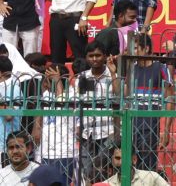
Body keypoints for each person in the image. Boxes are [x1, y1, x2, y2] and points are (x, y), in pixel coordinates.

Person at [129, 32, 174, 173]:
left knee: (147, 169)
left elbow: (170, 99)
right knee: (130, 168)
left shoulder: (160, 68)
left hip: (150, 127)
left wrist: (166, 130)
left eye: (136, 48)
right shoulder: (131, 69)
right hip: (130, 126)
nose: (133, 51)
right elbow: (123, 96)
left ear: (146, 48)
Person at [76, 42, 117, 183]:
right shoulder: (83, 77)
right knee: (87, 170)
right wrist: (78, 125)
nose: (95, 59)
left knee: (103, 168)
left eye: (98, 55)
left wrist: (113, 73)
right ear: (86, 57)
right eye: (91, 56)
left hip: (107, 131)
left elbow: (119, 98)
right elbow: (80, 102)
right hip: (87, 132)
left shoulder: (112, 75)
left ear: (105, 56)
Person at [33, 64, 76, 185]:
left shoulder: (71, 94)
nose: (45, 84)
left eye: (49, 80)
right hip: (44, 151)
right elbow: (39, 112)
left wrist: (57, 82)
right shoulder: (47, 94)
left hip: (63, 152)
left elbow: (61, 106)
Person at [103, 147, 168, 186]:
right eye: (117, 158)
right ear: (112, 160)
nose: (121, 162)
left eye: (125, 158)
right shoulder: (107, 184)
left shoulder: (151, 177)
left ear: (134, 159)